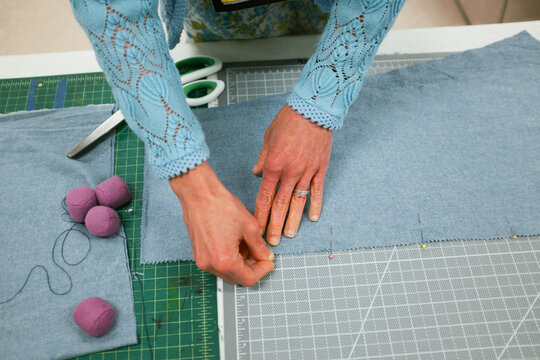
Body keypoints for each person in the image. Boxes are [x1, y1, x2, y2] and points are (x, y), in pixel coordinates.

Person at [70, 0, 405, 286]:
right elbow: (115, 15)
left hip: (326, 10)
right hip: (225, 17)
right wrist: (190, 179)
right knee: (225, 40)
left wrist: (322, 99)